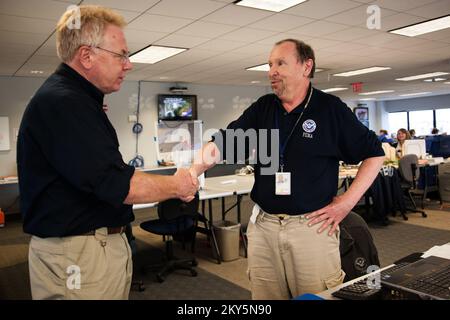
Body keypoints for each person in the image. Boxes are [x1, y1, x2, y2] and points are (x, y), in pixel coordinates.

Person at [16, 5, 198, 300]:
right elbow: (116, 183)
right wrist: (179, 184)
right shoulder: (65, 103)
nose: (128, 64)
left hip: (88, 250)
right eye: (121, 55)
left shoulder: (74, 100)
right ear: (86, 56)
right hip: (79, 256)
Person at [190, 39, 385, 299]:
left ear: (306, 67)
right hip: (264, 226)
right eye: (270, 64)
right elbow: (224, 143)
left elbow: (375, 154)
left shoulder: (330, 110)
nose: (271, 70)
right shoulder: (263, 108)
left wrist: (347, 203)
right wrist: (193, 170)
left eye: (280, 63)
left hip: (311, 228)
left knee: (315, 294)